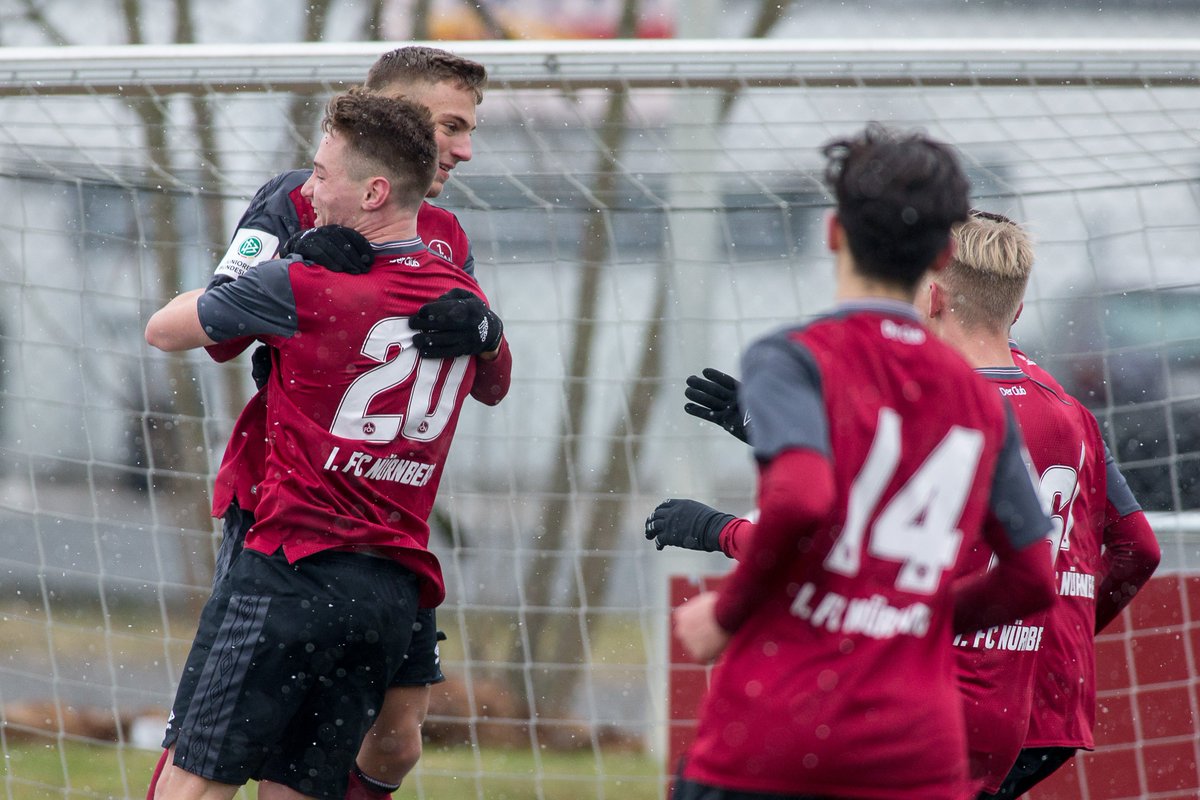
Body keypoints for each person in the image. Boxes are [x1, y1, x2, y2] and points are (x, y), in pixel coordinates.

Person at [651, 211, 1162, 798]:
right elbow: (1137, 548)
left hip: (925, 694)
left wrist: (717, 529)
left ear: (934, 295)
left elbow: (837, 539)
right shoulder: (1069, 411)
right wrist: (1044, 634)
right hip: (1034, 701)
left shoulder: (938, 407)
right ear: (1016, 310)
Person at [147, 46, 509, 800]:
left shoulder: (443, 236)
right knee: (213, 735)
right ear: (398, 119)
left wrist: (483, 331)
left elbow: (486, 368)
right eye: (450, 126)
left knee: (397, 736)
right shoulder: (294, 199)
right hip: (283, 513)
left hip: (384, 537)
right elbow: (216, 333)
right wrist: (298, 265)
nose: (464, 147)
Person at [663, 123, 1057, 800]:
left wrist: (725, 615)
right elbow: (1033, 579)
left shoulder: (791, 356)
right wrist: (920, 615)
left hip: (780, 729)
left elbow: (801, 497)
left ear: (833, 234)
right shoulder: (981, 397)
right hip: (917, 749)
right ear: (942, 258)